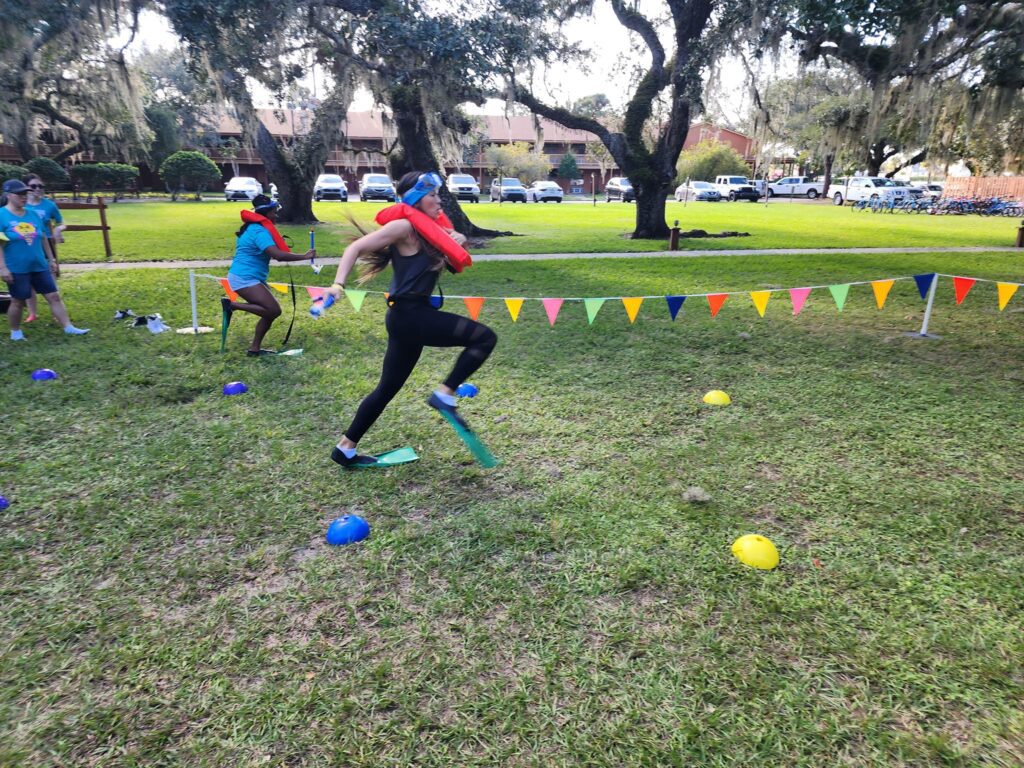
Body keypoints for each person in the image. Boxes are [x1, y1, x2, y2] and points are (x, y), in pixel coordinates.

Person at [324, 170, 497, 468]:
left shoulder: (431, 231)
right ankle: (445, 395)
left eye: (438, 194)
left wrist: (461, 239)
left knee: (386, 389)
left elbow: (452, 264)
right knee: (484, 337)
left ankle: (345, 448)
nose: (438, 200)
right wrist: (338, 284)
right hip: (410, 315)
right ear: (417, 198)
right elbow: (355, 247)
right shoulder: (404, 226)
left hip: (408, 318)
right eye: (432, 195)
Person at [222, 194, 316, 356]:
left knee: (269, 313)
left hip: (250, 277)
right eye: (273, 212)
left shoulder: (254, 228)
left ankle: (254, 349)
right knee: (273, 310)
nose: (276, 215)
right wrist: (304, 256)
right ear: (265, 213)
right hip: (244, 278)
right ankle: (231, 306)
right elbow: (277, 255)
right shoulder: (258, 231)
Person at [0, 178, 88, 341]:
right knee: (18, 301)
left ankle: (68, 327)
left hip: (39, 264)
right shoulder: (1, 215)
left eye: (25, 193)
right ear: (8, 195)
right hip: (17, 267)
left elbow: (43, 239)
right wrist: (2, 268)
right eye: (19, 194)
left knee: (53, 296)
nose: (24, 197)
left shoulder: (32, 214)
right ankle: (15, 332)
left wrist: (51, 259)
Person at [23, 173, 66, 323]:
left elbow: (61, 222)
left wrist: (58, 230)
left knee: (50, 277)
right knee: (28, 281)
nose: (37, 189)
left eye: (40, 186)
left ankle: (56, 312)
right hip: (27, 243)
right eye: (33, 186)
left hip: (46, 242)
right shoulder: (22, 206)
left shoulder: (49, 205)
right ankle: (32, 313)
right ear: (26, 188)